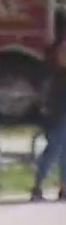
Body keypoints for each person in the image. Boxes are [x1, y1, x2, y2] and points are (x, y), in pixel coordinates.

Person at [32, 32, 66, 202]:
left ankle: (63, 187)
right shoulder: (55, 68)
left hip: (59, 107)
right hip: (59, 109)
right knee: (54, 149)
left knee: (62, 150)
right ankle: (38, 185)